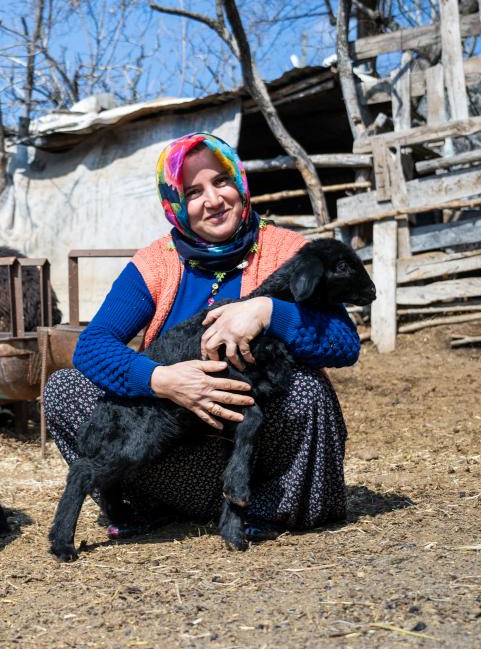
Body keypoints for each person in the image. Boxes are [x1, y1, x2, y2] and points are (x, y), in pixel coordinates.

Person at [44, 132, 361, 541]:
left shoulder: (287, 252)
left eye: (222, 181)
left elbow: (344, 341)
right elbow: (93, 345)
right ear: (175, 204)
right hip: (169, 451)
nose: (213, 200)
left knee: (307, 389)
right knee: (64, 388)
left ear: (240, 183)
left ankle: (261, 509)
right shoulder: (155, 265)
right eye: (193, 191)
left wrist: (268, 311)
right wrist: (164, 380)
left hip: (254, 459)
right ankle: (143, 505)